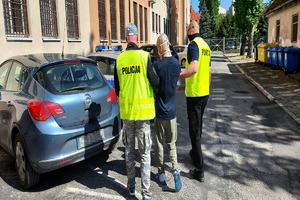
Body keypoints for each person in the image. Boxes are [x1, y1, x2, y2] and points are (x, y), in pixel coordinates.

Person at [114, 22, 159, 200]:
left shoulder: (120, 60)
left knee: (129, 152)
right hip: (144, 115)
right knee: (145, 153)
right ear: (137, 38)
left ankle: (131, 188)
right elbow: (155, 82)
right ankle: (146, 193)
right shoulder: (144, 57)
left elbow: (117, 89)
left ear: (126, 39)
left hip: (127, 115)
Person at [179, 20, 211, 182]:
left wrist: (178, 75)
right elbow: (209, 71)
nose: (186, 31)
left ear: (192, 29)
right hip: (204, 94)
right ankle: (194, 153)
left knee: (194, 132)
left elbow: (193, 68)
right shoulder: (205, 46)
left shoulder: (193, 45)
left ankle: (199, 170)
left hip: (195, 94)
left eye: (187, 28)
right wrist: (208, 90)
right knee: (199, 127)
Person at [153, 33, 182, 192]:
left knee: (159, 144)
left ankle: (161, 174)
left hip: (159, 112)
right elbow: (178, 85)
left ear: (162, 46)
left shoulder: (158, 65)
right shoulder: (176, 64)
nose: (158, 49)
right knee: (172, 144)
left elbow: (155, 90)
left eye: (158, 47)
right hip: (172, 112)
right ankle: (176, 170)